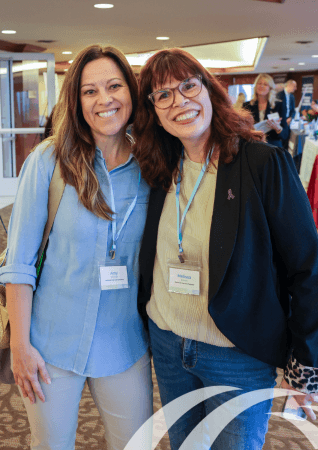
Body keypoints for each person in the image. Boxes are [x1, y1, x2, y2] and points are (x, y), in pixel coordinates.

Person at [133, 48, 318, 450]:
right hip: (168, 345)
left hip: (239, 353)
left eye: (188, 86)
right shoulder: (160, 167)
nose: (179, 101)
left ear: (209, 91)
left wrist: (305, 363)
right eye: (163, 95)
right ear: (153, 111)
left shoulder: (262, 163)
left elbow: (307, 265)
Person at [0, 45, 153, 450]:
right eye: (90, 91)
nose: (104, 100)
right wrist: (20, 346)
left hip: (125, 344)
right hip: (49, 343)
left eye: (115, 86)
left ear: (132, 93)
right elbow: (18, 263)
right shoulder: (49, 160)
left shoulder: (152, 165)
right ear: (76, 99)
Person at [244, 73, 288, 147]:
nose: (261, 86)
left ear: (270, 88)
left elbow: (285, 134)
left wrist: (278, 128)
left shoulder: (278, 105)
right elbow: (242, 129)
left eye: (265, 84)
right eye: (259, 83)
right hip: (252, 145)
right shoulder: (247, 106)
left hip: (272, 147)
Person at [276, 79, 297, 149]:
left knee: (286, 141)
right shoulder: (279, 95)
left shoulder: (292, 97)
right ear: (289, 85)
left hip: (288, 121)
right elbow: (276, 110)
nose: (295, 88)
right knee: (279, 141)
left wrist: (291, 118)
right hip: (280, 121)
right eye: (294, 86)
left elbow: (293, 110)